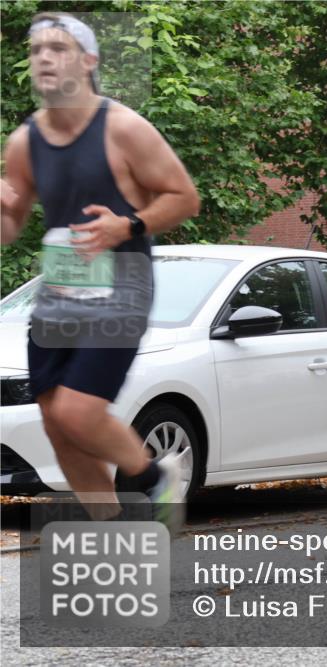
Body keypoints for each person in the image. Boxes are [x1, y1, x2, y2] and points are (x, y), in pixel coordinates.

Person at [0, 14, 200, 529]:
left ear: (88, 62)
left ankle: (157, 476)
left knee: (76, 412)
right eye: (37, 49)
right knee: (55, 423)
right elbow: (10, 225)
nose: (44, 57)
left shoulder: (124, 128)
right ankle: (109, 524)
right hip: (59, 292)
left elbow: (184, 198)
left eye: (58, 48)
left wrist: (127, 226)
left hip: (122, 287)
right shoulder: (25, 142)